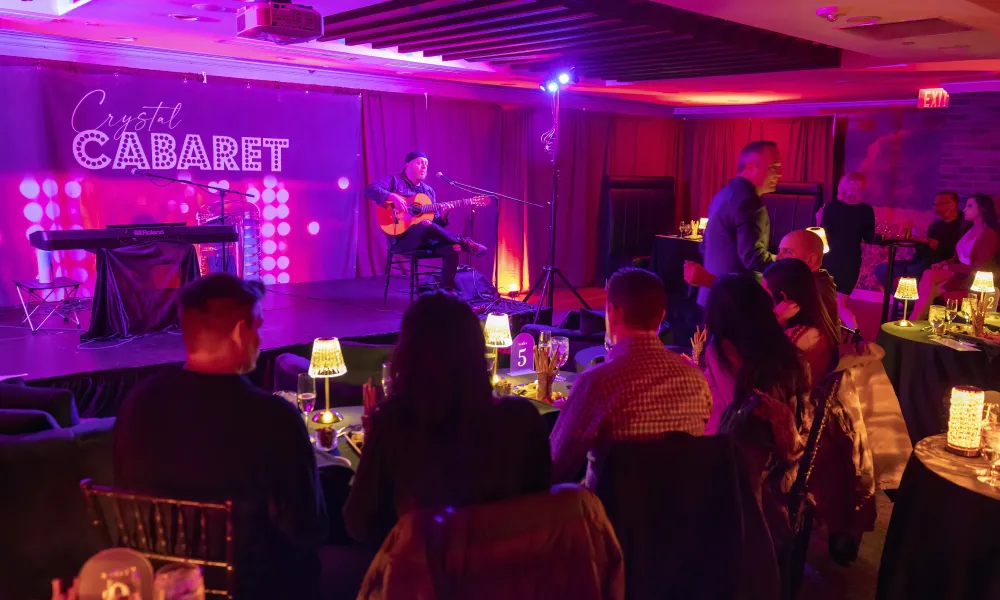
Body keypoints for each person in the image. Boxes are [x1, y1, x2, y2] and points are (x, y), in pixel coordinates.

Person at [113, 274, 327, 600]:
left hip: (161, 581)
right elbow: (307, 528)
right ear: (241, 332)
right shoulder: (274, 418)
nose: (260, 339)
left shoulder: (136, 404)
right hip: (255, 588)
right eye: (258, 327)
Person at [343, 292, 551, 548]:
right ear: (477, 352)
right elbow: (541, 506)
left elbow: (359, 524)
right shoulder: (523, 420)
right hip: (506, 566)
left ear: (407, 356)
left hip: (423, 569)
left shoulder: (396, 424)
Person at [550, 268, 712, 485]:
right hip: (682, 504)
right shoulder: (697, 381)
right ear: (661, 316)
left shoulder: (597, 383)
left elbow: (554, 466)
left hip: (610, 506)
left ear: (612, 312)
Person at [696, 274, 811, 550]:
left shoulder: (721, 351)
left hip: (751, 483)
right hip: (793, 466)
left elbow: (728, 419)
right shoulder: (790, 354)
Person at [365, 151, 487, 290]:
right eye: (419, 163)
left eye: (426, 164)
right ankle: (464, 241)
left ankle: (445, 292)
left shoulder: (428, 191)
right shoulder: (394, 181)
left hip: (424, 240)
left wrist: (443, 217)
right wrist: (391, 196)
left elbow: (435, 226)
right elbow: (370, 189)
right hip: (401, 241)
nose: (424, 166)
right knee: (426, 225)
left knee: (453, 247)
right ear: (407, 165)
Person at [686, 229, 839, 328]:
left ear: (811, 259)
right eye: (779, 251)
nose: (778, 257)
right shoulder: (808, 282)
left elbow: (757, 313)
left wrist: (710, 281)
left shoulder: (813, 290)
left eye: (787, 252)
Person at [698, 140, 783, 306]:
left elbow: (703, 246)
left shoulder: (723, 194)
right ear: (750, 168)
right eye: (773, 167)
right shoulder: (749, 202)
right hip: (737, 300)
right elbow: (753, 259)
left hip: (712, 295)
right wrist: (786, 260)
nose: (779, 174)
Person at [912, 193, 1000, 319]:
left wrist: (950, 267)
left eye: (970, 206)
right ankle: (918, 318)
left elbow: (978, 268)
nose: (964, 210)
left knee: (929, 280)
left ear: (982, 209)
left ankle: (915, 319)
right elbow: (958, 257)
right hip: (959, 273)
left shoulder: (990, 235)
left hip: (973, 277)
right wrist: (944, 263)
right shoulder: (968, 229)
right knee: (929, 278)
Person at [762, 258, 840, 388]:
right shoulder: (817, 317)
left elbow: (761, 368)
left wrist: (776, 319)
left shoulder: (798, 336)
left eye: (766, 293)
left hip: (801, 396)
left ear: (783, 296)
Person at [873, 191, 969, 288]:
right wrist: (920, 242)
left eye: (939, 205)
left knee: (913, 271)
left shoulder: (964, 226)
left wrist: (938, 245)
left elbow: (960, 253)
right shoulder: (936, 225)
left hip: (939, 264)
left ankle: (908, 295)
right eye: (935, 205)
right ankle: (901, 296)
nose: (936, 208)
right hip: (921, 261)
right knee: (882, 269)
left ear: (952, 205)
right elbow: (923, 249)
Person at [819, 172, 875, 331]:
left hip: (830, 258)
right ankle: (853, 333)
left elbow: (823, 234)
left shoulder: (831, 207)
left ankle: (836, 335)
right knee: (841, 303)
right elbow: (869, 238)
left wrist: (818, 219)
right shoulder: (866, 210)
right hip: (851, 260)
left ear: (842, 186)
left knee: (825, 301)